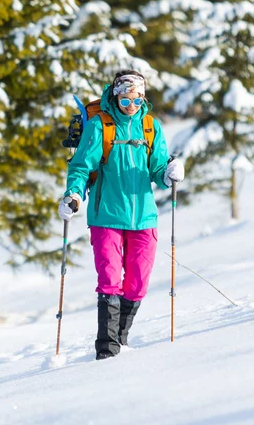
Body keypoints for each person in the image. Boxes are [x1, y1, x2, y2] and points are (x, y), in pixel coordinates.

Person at [58, 69, 185, 359]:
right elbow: (80, 166)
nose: (131, 107)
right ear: (116, 96)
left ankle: (121, 338)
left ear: (143, 99)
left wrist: (170, 172)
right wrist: (74, 194)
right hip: (106, 217)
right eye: (125, 100)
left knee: (138, 282)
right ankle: (107, 348)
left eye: (137, 101)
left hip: (143, 217)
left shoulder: (150, 127)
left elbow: (157, 168)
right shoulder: (101, 126)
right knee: (109, 280)